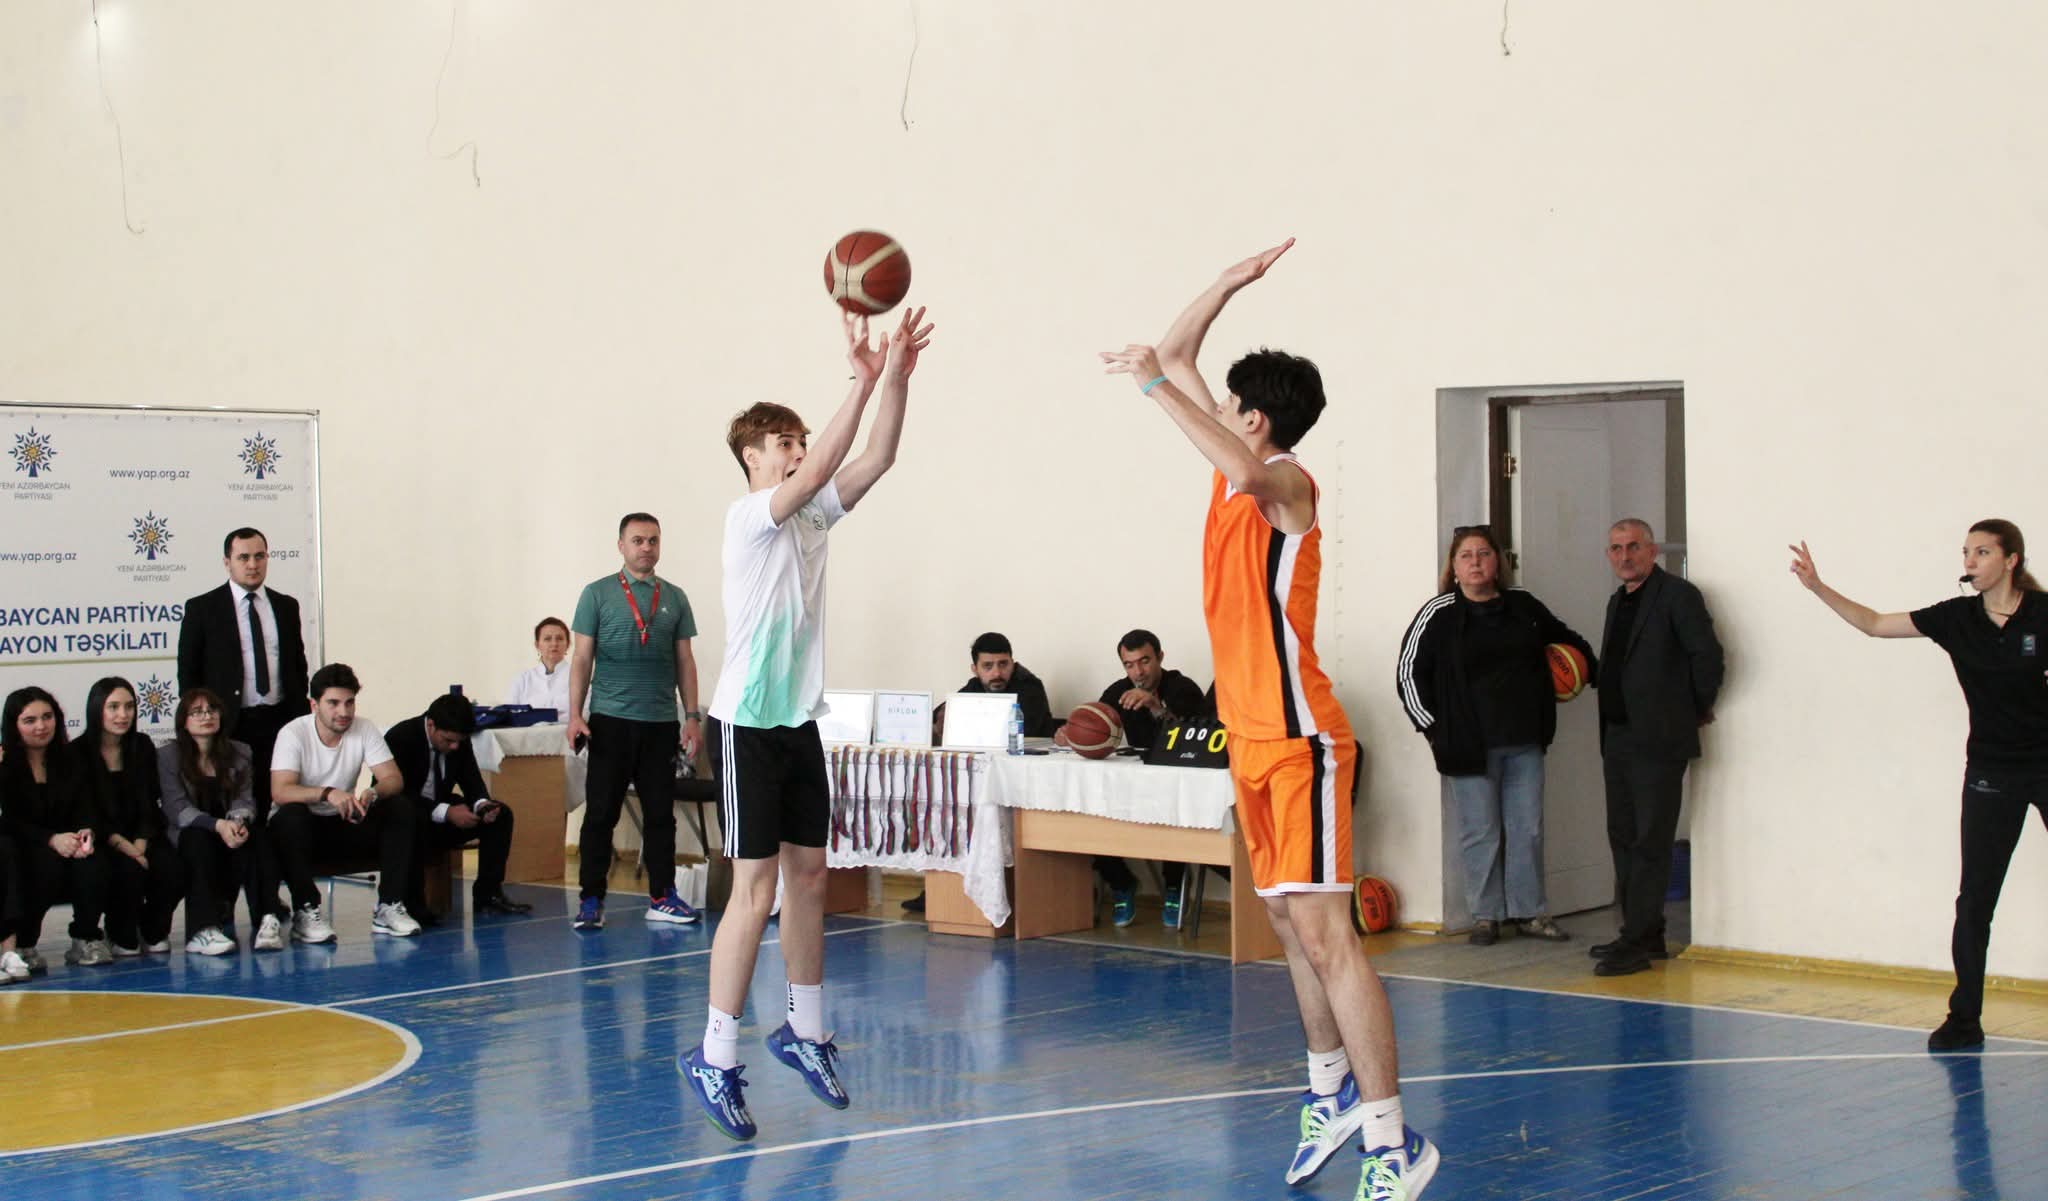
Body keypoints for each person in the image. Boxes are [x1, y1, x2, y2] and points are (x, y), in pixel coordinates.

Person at [1101, 239, 1438, 1196]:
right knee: (1288, 925)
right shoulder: (1229, 468)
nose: (1214, 408)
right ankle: (1329, 1093)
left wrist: (1153, 389)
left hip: (1301, 742)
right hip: (1248, 739)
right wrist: (1224, 283)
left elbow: (1179, 392)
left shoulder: (1288, 485)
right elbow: (1175, 352)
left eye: (1227, 405)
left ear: (1255, 419)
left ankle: (1393, 1142)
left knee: (1328, 934)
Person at [680, 305, 933, 1143]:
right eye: (782, 443)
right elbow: (827, 460)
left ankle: (805, 1030)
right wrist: (859, 379)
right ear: (753, 458)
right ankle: (715, 1054)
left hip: (796, 721)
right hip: (745, 724)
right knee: (754, 890)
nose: (798, 451)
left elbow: (877, 457)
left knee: (813, 877)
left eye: (799, 439)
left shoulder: (813, 517)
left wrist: (894, 379)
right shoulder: (749, 515)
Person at [1790, 520, 2048, 1051]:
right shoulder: (1956, 618)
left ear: (2011, 561)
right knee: (1975, 900)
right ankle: (1964, 1019)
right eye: (1967, 551)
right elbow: (1874, 623)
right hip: (1992, 771)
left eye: (1983, 551)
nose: (1970, 560)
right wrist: (1817, 586)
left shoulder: (2043, 614)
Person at [1396, 527, 1597, 946]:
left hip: (1525, 742)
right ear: (1453, 567)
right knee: (1480, 833)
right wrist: (1435, 731)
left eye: (1483, 553)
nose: (1475, 562)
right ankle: (1486, 916)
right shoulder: (1438, 613)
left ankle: (1529, 913)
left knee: (1528, 830)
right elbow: (1408, 675)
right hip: (1467, 746)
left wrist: (1587, 674)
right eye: (1466, 555)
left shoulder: (1524, 606)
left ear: (1498, 562)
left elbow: (1570, 644)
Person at [1592, 518, 1725, 978]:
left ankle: (1637, 941)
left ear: (1652, 551)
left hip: (1659, 738)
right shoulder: (1617, 602)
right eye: (1616, 548)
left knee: (1650, 839)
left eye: (1633, 547)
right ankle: (1643, 932)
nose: (1625, 556)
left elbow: (1708, 657)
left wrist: (1693, 709)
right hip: (1618, 737)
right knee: (1623, 835)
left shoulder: (1678, 596)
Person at [565, 514, 703, 930]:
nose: (646, 547)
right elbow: (582, 659)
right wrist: (575, 715)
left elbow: (685, 660)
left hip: (660, 724)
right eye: (638, 540)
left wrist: (691, 717)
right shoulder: (597, 594)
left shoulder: (675, 597)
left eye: (653, 540)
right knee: (601, 813)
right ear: (621, 546)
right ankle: (591, 899)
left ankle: (662, 896)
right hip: (610, 722)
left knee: (661, 814)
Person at [905, 632, 1070, 918]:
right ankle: (945, 891)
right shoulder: (973, 688)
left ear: (1012, 663)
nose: (996, 673)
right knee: (951, 807)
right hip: (989, 781)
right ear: (975, 669)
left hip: (1028, 783)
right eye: (988, 666)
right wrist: (939, 723)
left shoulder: (1029, 687)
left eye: (1003, 664)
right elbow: (940, 718)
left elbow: (1017, 734)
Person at [268, 663, 420, 942]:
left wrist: (373, 793)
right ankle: (306, 910)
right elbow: (280, 791)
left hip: (343, 822)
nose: (344, 712)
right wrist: (327, 793)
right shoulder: (293, 733)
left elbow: (393, 778)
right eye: (334, 703)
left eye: (349, 702)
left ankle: (388, 906)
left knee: (399, 807)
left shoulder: (364, 728)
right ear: (314, 705)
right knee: (291, 816)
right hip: (302, 830)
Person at [1071, 629, 1211, 928]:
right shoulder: (1118, 691)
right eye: (1129, 664)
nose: (1138, 671)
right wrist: (1073, 734)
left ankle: (1174, 886)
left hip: (1177, 783)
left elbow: (1196, 737)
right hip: (1133, 782)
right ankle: (1121, 883)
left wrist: (1155, 707)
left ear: (1160, 657)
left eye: (1145, 661)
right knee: (1088, 812)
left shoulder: (1182, 688)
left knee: (1175, 814)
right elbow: (1096, 723)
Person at [177, 527, 310, 816]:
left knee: (280, 804)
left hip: (280, 721)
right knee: (236, 805)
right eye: (244, 557)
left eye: (259, 556)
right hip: (229, 724)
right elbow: (188, 674)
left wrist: (299, 715)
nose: (253, 564)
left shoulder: (286, 606)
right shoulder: (203, 608)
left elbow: (298, 666)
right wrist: (202, 720)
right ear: (227, 562)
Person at [384, 693, 532, 922]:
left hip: (441, 811)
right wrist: (446, 812)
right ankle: (411, 904)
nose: (454, 747)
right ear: (431, 725)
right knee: (409, 815)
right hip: (408, 815)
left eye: (459, 741)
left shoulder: (458, 741)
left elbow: (471, 779)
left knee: (501, 815)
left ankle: (488, 894)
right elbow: (394, 795)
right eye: (448, 740)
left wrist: (482, 805)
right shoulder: (401, 737)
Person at [0, 687, 113, 968]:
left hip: (68, 841)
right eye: (30, 720)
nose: (41, 726)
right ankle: (24, 943)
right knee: (45, 866)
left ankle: (85, 938)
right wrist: (51, 839)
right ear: (14, 725)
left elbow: (87, 805)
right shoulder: (6, 763)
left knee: (93, 862)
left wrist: (85, 833)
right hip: (24, 844)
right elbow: (9, 820)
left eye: (47, 717)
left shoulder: (71, 758)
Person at [158, 688, 275, 955]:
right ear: (183, 721)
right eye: (197, 712)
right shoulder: (168, 756)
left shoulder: (240, 751)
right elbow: (177, 809)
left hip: (228, 830)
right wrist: (218, 826)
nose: (206, 716)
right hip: (189, 834)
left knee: (258, 836)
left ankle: (267, 920)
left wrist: (237, 822)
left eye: (212, 710)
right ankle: (202, 930)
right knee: (197, 839)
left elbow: (245, 799)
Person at [74, 677, 183, 956]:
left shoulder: (142, 745)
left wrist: (141, 843)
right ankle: (120, 932)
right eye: (113, 707)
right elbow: (85, 811)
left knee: (171, 866)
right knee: (128, 870)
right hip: (104, 838)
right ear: (97, 709)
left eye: (129, 706)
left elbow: (149, 801)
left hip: (142, 834)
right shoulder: (77, 751)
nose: (122, 715)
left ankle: (152, 929)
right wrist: (127, 848)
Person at [506, 617, 573, 716]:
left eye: (559, 638)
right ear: (537, 645)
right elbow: (508, 714)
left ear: (568, 644)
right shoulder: (522, 679)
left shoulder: (580, 678)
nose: (554, 644)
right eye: (547, 639)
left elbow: (584, 714)